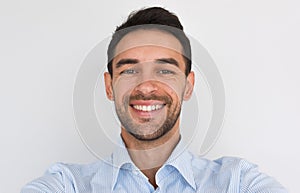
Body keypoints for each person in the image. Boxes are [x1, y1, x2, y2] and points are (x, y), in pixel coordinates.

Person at [21, 7, 288, 193]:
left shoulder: (238, 182)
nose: (146, 86)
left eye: (165, 70)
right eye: (129, 70)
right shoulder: (67, 185)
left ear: (188, 86)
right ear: (109, 86)